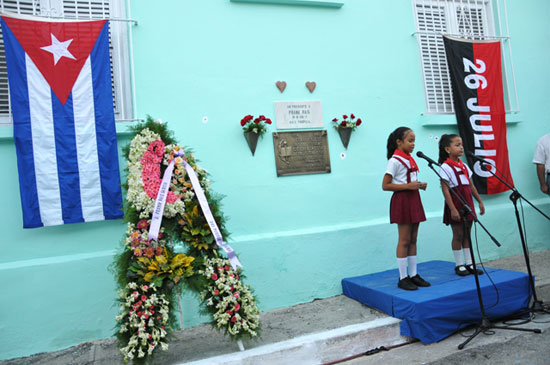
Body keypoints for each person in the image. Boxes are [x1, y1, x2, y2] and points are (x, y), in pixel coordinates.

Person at [382, 127, 430, 291]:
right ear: (399, 142)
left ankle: (414, 274)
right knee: (404, 239)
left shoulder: (410, 159)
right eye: (410, 141)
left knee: (413, 238)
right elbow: (385, 185)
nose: (413, 144)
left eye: (414, 141)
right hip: (402, 199)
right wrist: (408, 186)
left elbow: (409, 180)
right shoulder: (394, 160)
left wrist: (418, 185)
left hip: (414, 198)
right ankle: (403, 277)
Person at [438, 134, 485, 276]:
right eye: (457, 145)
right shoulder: (445, 167)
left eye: (462, 145)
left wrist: (480, 201)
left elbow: (470, 185)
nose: (461, 148)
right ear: (447, 149)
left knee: (467, 234)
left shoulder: (464, 165)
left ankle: (470, 263)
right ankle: (459, 265)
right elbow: (445, 189)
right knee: (458, 234)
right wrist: (452, 209)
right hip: (456, 202)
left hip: (467, 202)